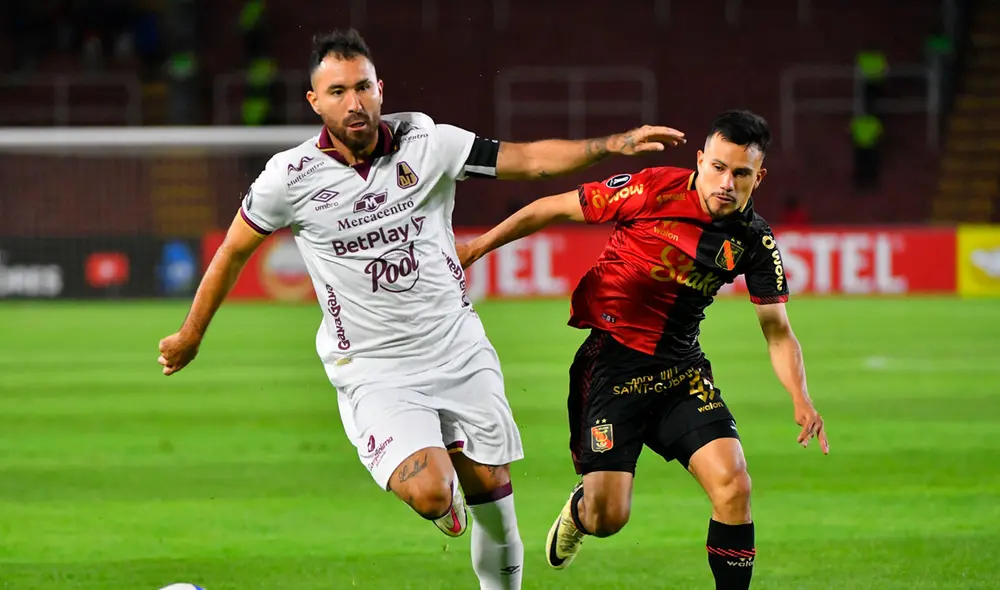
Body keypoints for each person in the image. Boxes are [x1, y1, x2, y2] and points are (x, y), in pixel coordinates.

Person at [155, 28, 685, 590]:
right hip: (374, 367)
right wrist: (191, 334)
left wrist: (611, 145)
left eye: (362, 87)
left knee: (495, 499)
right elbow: (234, 251)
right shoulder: (289, 178)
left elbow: (526, 160)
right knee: (434, 491)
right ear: (315, 102)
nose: (353, 102)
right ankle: (440, 491)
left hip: (457, 347)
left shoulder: (430, 143)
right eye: (336, 92)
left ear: (380, 88)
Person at [456, 109, 829, 590]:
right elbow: (550, 207)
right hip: (612, 367)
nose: (726, 183)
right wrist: (475, 248)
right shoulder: (651, 189)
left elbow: (778, 330)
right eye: (717, 167)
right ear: (700, 160)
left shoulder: (754, 241)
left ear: (759, 177)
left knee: (734, 486)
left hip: (681, 373)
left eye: (740, 173)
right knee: (609, 518)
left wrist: (800, 397)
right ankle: (581, 508)